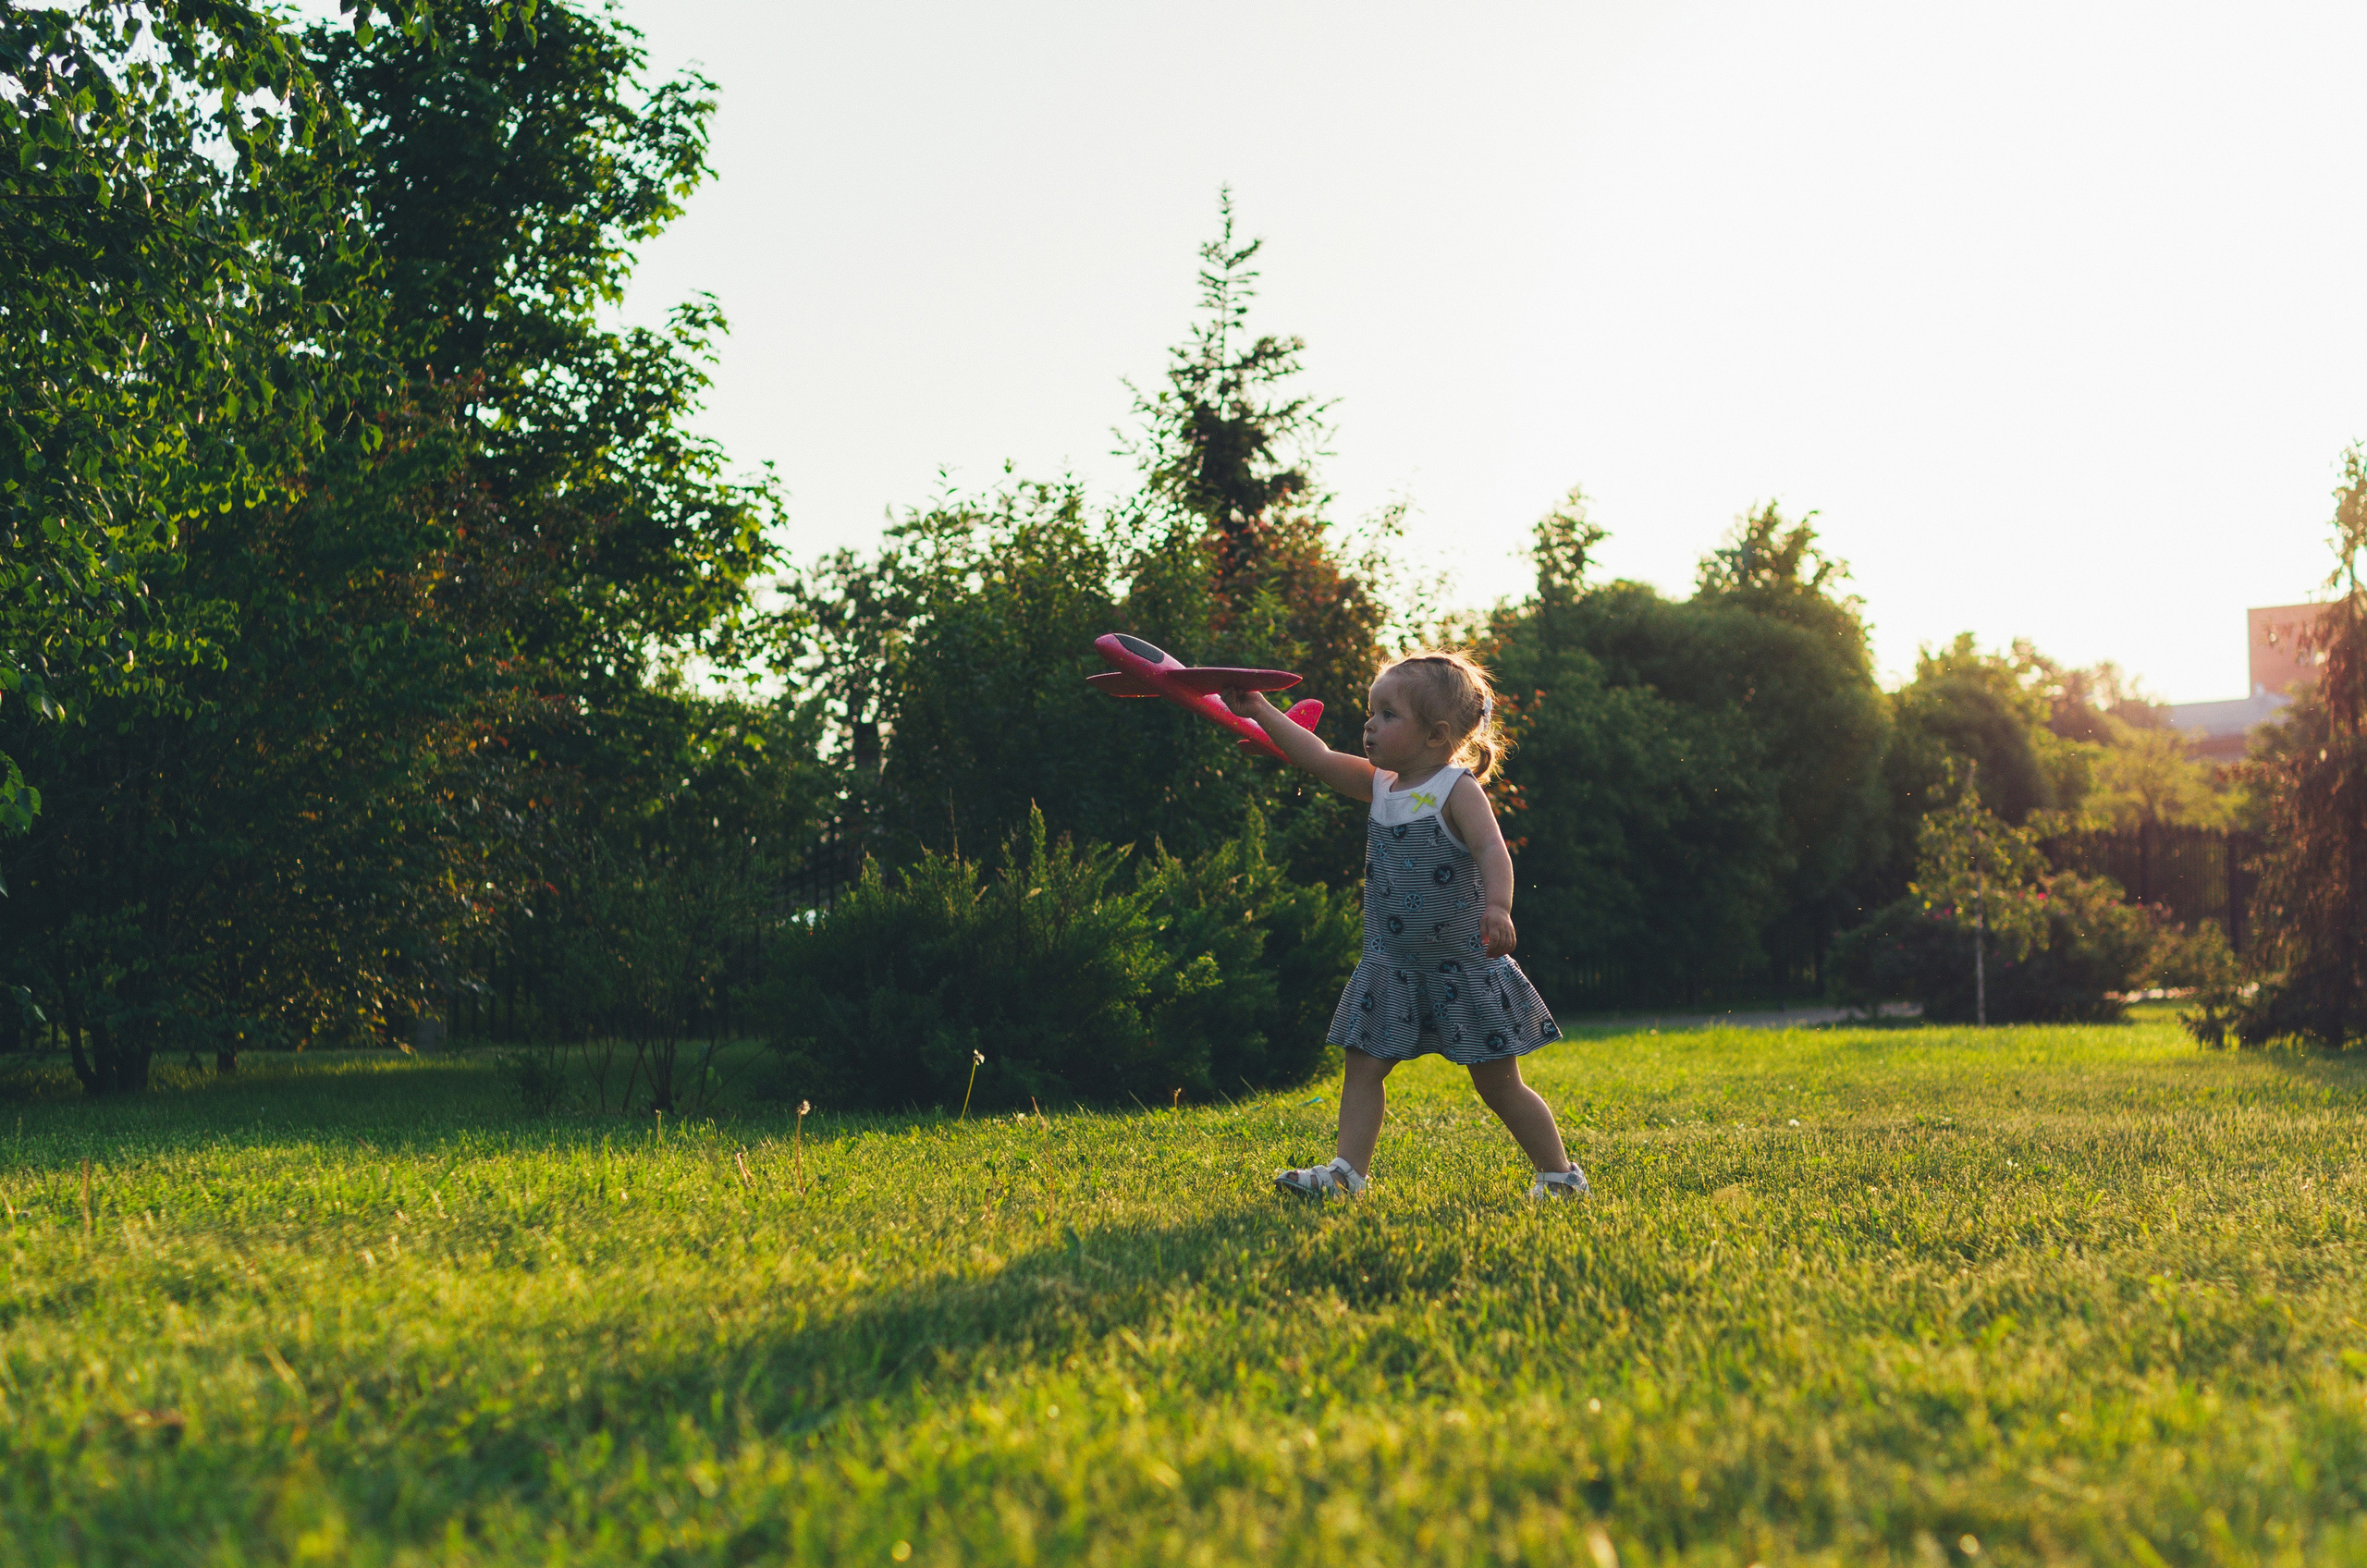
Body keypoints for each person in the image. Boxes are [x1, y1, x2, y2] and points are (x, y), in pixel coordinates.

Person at [1223, 650, 1588, 1201]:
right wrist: (1259, 709)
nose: (1370, 724)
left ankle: (1560, 1174)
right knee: (1363, 1065)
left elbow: (1493, 850)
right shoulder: (1380, 786)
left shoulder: (1455, 789)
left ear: (1436, 737)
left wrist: (1499, 907)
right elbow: (1316, 757)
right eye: (1371, 711)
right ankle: (1347, 1173)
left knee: (1498, 1083)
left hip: (1461, 966)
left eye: (1388, 714)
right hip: (1392, 967)